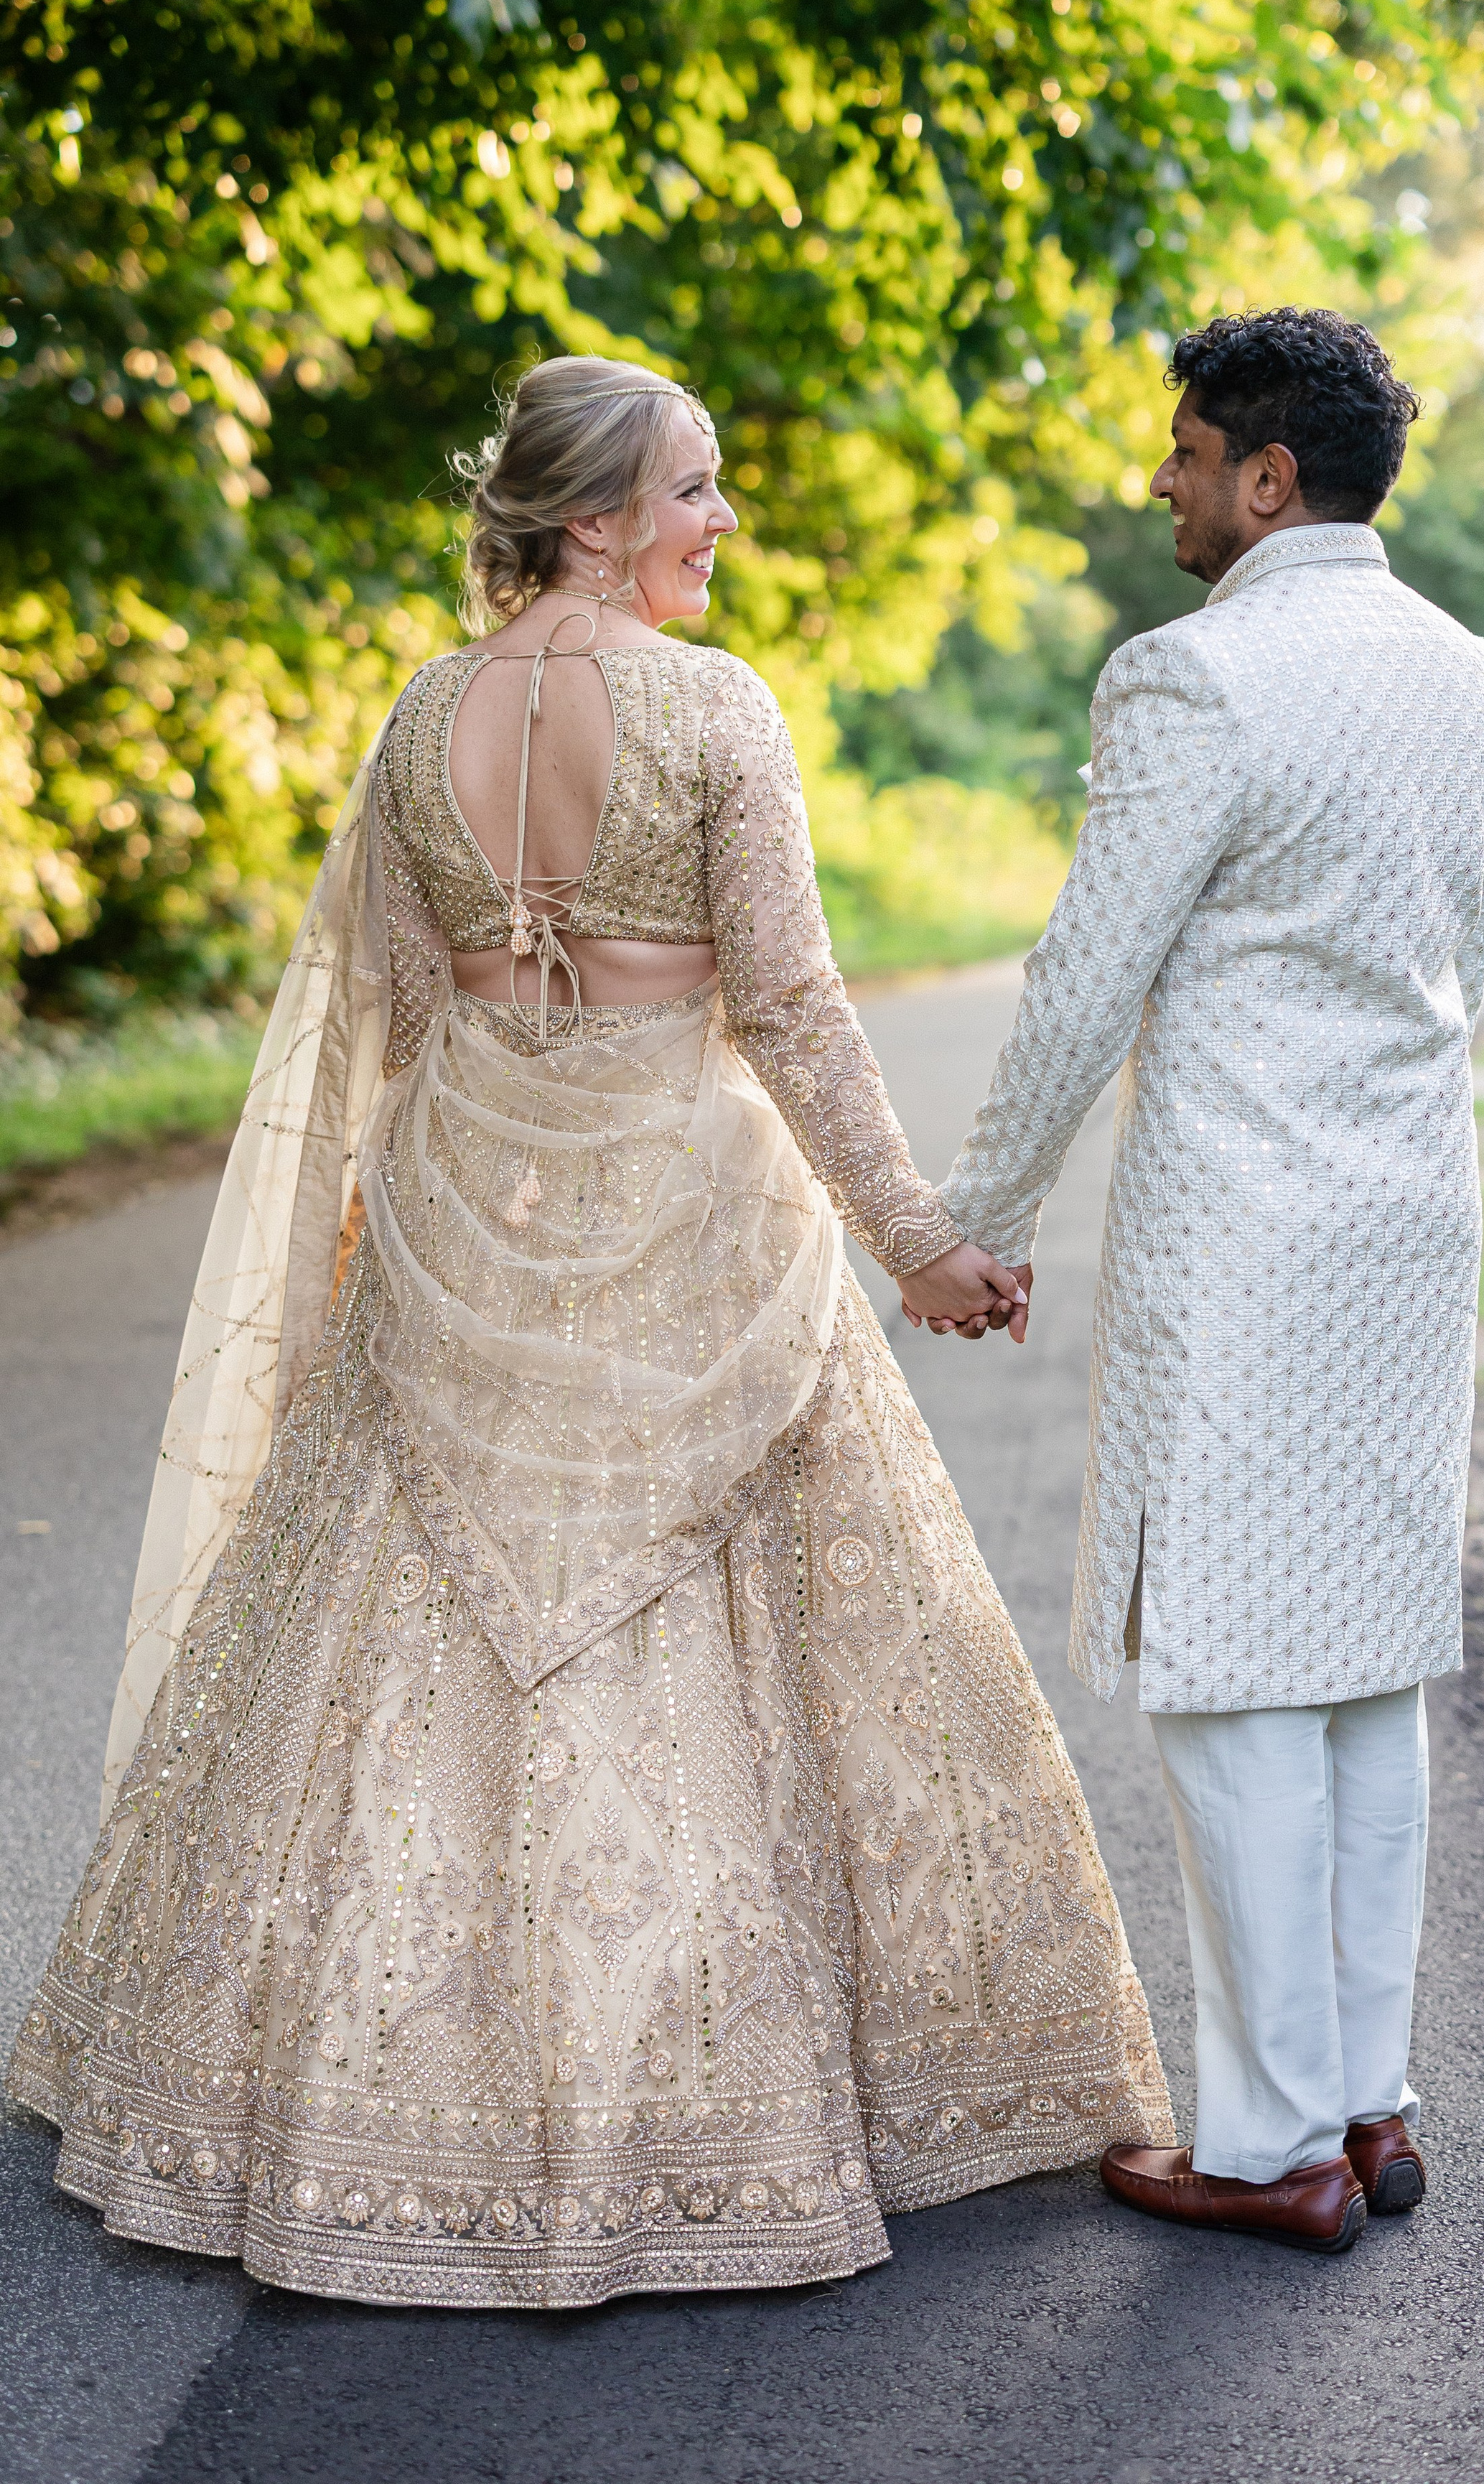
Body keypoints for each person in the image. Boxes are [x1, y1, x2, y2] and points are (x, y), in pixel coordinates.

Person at [8, 355, 1172, 2309]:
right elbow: (788, 1007)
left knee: (402, 1628)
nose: (722, 525)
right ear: (595, 519)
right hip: (689, 1205)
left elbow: (391, 1000)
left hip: (475, 1185)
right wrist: (915, 1242)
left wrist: (386, 1256)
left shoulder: (419, 714)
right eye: (695, 492)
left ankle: (330, 2092)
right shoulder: (713, 709)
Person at [936, 308, 1484, 2255]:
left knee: (1224, 1678)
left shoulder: (1196, 680)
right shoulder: (1478, 677)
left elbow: (1085, 977)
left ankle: (1267, 2144)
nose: (1165, 483)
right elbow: (1462, 951)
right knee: (1363, 1666)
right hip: (1412, 1225)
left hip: (1253, 1242)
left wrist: (982, 1211)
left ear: (1270, 478)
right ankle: (1367, 2102)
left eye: (1188, 452)